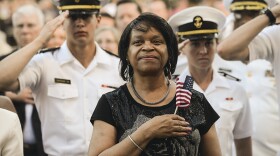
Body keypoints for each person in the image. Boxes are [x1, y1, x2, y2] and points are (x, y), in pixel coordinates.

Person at [0, 0, 124, 155]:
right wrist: (40, 40)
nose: (79, 23)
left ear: (98, 19)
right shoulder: (44, 63)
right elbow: (1, 80)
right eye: (73, 16)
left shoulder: (117, 66)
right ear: (61, 20)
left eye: (86, 17)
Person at [88, 12, 221, 156]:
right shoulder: (111, 103)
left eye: (157, 42)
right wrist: (148, 131)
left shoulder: (195, 101)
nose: (147, 47)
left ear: (170, 51)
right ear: (126, 53)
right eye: (138, 42)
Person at [168, 6, 252, 156]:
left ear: (217, 43)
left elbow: (243, 144)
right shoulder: (173, 90)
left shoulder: (235, 90)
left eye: (208, 43)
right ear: (183, 48)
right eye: (195, 44)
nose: (203, 51)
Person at [0, 4, 47, 156]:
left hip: (45, 147)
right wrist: (12, 95)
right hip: (9, 144)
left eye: (30, 25)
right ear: (13, 30)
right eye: (20, 25)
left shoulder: (52, 61)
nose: (25, 30)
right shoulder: (3, 64)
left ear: (42, 29)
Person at [217, 4, 280, 114]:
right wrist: (270, 15)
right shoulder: (275, 35)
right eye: (242, 18)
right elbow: (224, 50)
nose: (248, 23)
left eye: (253, 16)